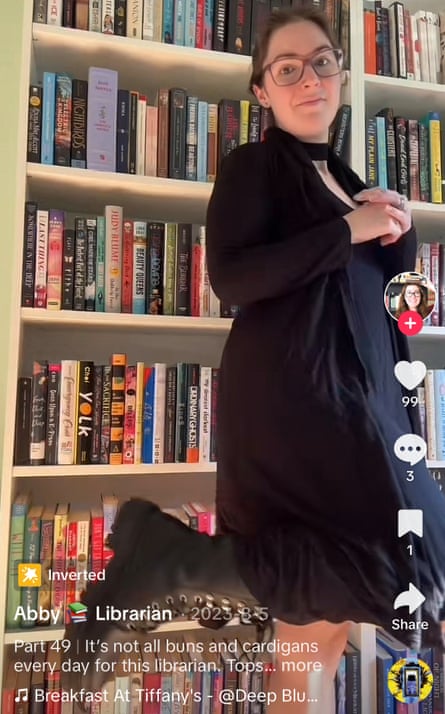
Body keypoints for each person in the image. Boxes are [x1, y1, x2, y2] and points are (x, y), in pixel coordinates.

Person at [64, 7, 445, 712]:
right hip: (297, 404)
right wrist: (348, 229)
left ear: (340, 73)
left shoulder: (349, 180)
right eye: (287, 68)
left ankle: (172, 558)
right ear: (261, 90)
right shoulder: (254, 167)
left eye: (322, 62)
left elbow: (391, 313)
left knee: (314, 640)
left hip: (365, 411)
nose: (310, 79)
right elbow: (233, 281)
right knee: (398, 570)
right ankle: (172, 560)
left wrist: (398, 238)